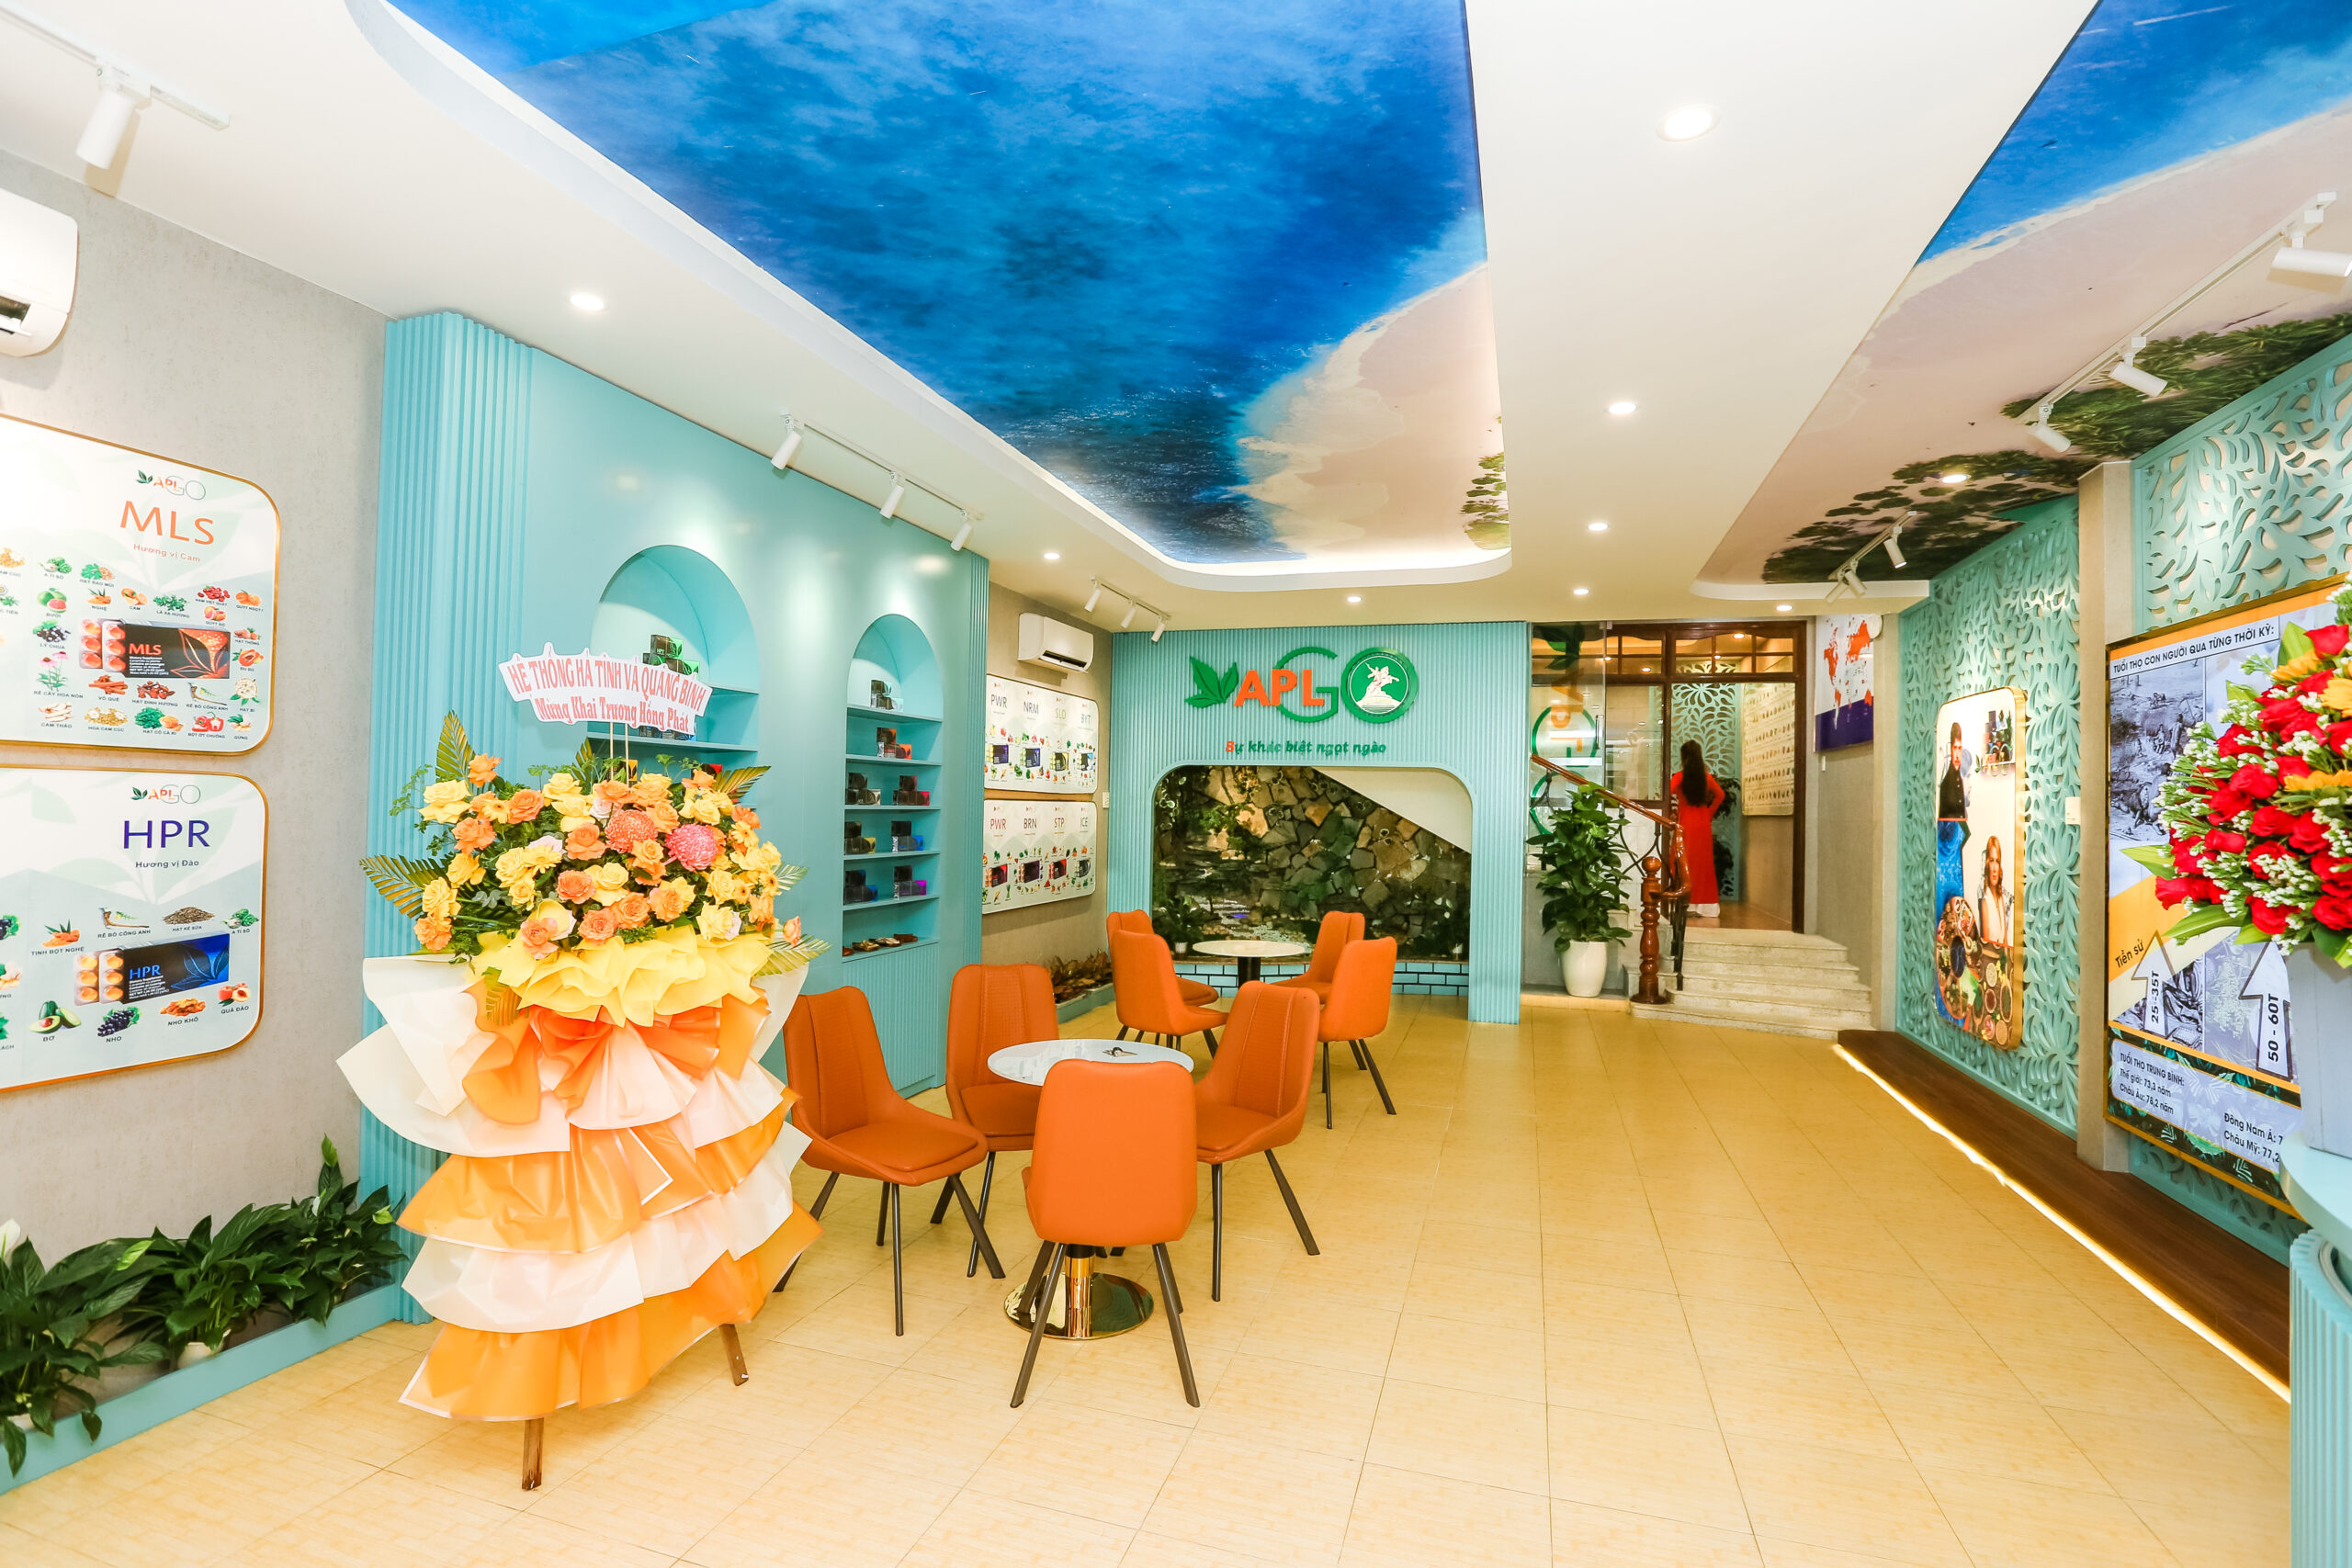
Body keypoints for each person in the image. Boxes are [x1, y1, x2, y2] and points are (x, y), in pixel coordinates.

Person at [1668, 739, 1727, 917]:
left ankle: (1682, 902)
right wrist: (1708, 813)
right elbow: (1720, 795)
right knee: (1703, 865)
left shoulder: (1679, 777)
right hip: (1702, 823)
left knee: (1681, 861)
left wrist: (1672, 811)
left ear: (1683, 757)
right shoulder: (1706, 777)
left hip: (1685, 822)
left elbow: (1667, 792)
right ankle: (1705, 906)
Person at [1976, 835, 2014, 948]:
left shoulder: (2001, 899)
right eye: (1991, 861)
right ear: (1987, 864)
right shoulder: (1985, 902)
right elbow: (1987, 949)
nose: (1994, 869)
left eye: (1997, 861)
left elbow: (2005, 942)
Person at [1937, 721, 1970, 819]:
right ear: (1951, 750)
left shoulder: (1959, 779)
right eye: (1955, 748)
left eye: (1959, 748)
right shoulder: (1946, 782)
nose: (1957, 754)